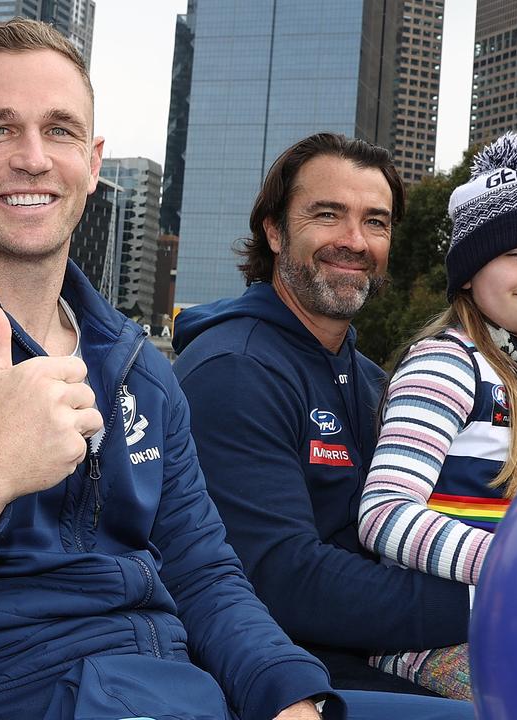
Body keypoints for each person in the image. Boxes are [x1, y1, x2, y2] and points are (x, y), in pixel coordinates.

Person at [0, 19, 469, 720]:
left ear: (93, 159)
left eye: (61, 131)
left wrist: (289, 693)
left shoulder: (137, 367)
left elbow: (206, 577)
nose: (35, 159)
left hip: (174, 692)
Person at [172, 133, 471, 696]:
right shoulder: (234, 371)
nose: (354, 241)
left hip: (380, 656)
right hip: (288, 682)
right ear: (276, 230)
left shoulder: (371, 380)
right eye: (328, 215)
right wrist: (493, 602)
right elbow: (285, 579)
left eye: (376, 222)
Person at [356, 134, 517, 699]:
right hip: (434, 637)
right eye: (516, 253)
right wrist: (516, 564)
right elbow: (384, 515)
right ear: (467, 271)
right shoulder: (446, 362)